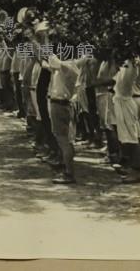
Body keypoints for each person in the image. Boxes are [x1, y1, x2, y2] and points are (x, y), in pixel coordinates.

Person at [47, 49, 82, 184]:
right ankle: (67, 169)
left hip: (60, 105)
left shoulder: (67, 66)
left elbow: (48, 54)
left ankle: (69, 173)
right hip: (64, 105)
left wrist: (39, 37)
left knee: (63, 141)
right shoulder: (69, 66)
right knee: (67, 141)